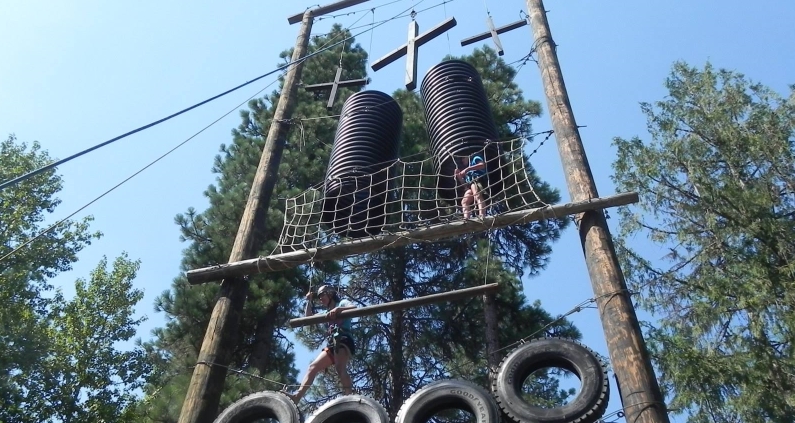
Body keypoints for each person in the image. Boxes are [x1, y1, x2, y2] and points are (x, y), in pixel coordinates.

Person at [286, 285, 357, 403]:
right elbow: (308, 317)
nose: (320, 299)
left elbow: (353, 307)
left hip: (343, 338)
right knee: (312, 367)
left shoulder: (342, 303)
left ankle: (350, 397)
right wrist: (308, 300)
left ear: (330, 294)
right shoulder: (326, 312)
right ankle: (297, 396)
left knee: (340, 367)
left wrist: (339, 310)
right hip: (332, 343)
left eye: (322, 295)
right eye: (318, 297)